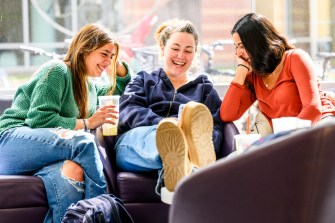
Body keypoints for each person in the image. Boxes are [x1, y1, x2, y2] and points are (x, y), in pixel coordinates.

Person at [0, 24, 132, 223]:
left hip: (46, 156)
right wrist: (88, 122)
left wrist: (116, 61)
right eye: (104, 54)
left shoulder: (90, 86)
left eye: (111, 57)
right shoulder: (57, 70)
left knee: (73, 172)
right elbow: (40, 119)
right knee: (84, 141)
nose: (107, 62)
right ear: (85, 49)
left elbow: (116, 90)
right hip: (12, 143)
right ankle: (102, 211)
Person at [115, 19, 223, 192]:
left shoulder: (204, 89)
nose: (181, 56)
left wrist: (209, 145)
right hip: (139, 143)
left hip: (189, 148)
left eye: (188, 51)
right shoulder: (144, 79)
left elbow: (215, 125)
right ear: (163, 48)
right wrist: (168, 125)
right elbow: (128, 110)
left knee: (196, 136)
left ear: (195, 54)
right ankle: (184, 158)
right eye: (175, 48)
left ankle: (181, 165)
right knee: (164, 135)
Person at [220, 13, 335, 136]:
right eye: (236, 47)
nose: (238, 53)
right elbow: (227, 114)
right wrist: (241, 70)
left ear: (257, 43)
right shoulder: (255, 76)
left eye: (242, 46)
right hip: (289, 138)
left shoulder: (295, 58)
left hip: (320, 126)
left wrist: (287, 141)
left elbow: (313, 109)